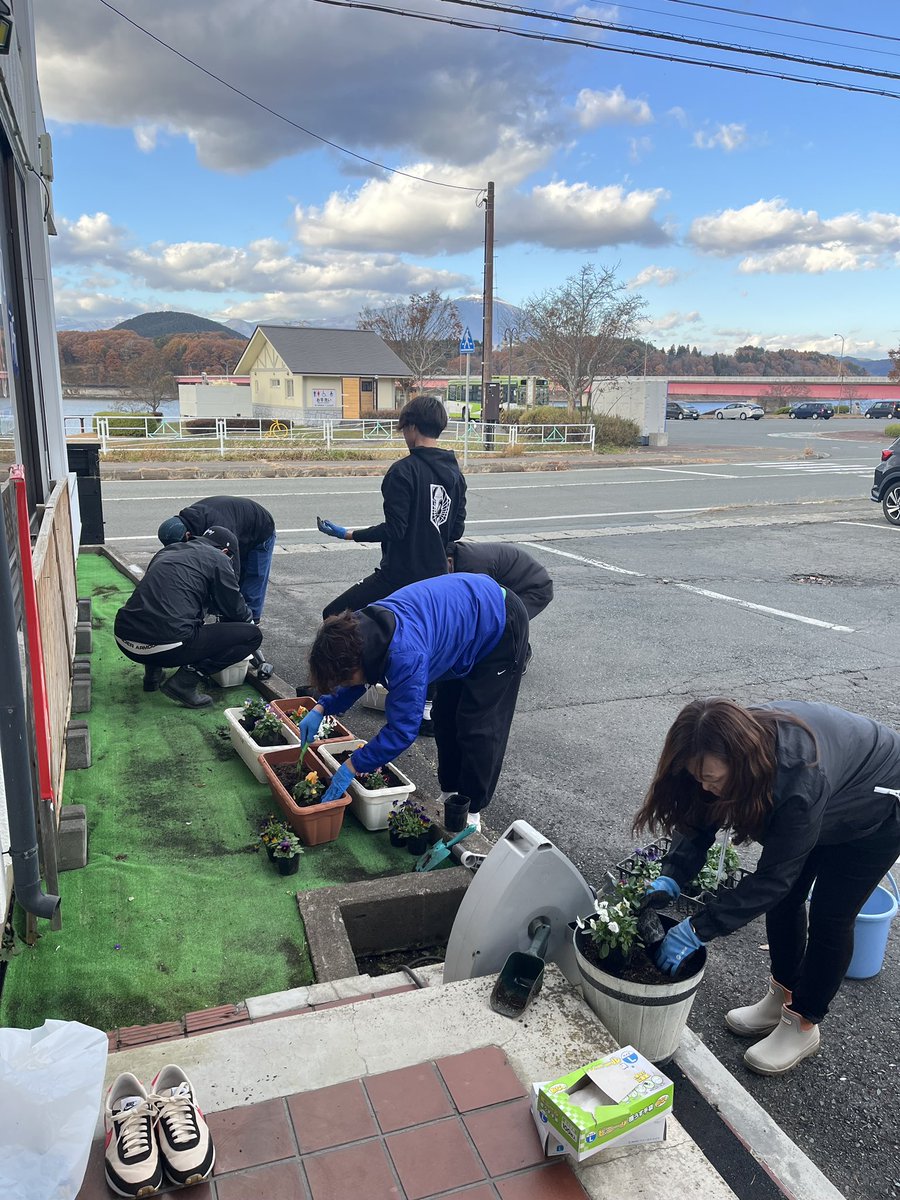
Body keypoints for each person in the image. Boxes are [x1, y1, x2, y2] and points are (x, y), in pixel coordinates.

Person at [634, 698, 900, 1076]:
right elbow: (697, 818)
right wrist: (672, 874)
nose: (706, 788)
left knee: (831, 915)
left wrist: (699, 929)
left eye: (714, 779)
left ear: (741, 765)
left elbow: (774, 878)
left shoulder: (796, 780)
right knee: (786, 901)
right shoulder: (720, 746)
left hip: (877, 804)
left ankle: (804, 1023)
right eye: (699, 778)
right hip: (828, 795)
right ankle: (783, 995)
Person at [299, 573, 528, 832]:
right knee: (444, 715)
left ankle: (471, 807)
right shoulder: (359, 632)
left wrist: (353, 765)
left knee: (477, 725)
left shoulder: (404, 655)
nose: (347, 684)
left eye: (346, 679)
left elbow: (403, 729)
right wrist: (322, 707)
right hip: (461, 625)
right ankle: (450, 791)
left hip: (498, 623)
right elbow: (355, 677)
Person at [317, 394, 466, 734]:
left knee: (335, 615)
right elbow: (455, 529)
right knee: (427, 641)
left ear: (411, 427)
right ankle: (425, 713)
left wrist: (349, 534)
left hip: (399, 575)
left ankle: (341, 685)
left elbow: (395, 530)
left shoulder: (403, 471)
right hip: (435, 578)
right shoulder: (455, 472)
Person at [114, 526, 262, 708]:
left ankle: (152, 676)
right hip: (166, 645)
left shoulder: (168, 551)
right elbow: (235, 609)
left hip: (124, 638)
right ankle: (184, 683)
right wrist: (249, 624)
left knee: (167, 609)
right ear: (225, 551)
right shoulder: (219, 558)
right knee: (252, 635)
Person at [158, 495, 275, 621]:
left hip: (260, 530)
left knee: (253, 579)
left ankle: (251, 622)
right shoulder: (190, 520)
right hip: (239, 525)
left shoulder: (220, 529)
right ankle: (232, 616)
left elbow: (229, 570)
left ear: (187, 534)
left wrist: (224, 603)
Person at [448, 540, 553, 673]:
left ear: (450, 560)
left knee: (505, 622)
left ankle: (521, 656)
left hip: (535, 588)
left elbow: (483, 605)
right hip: (516, 584)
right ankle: (517, 648)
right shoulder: (462, 554)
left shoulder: (474, 566)